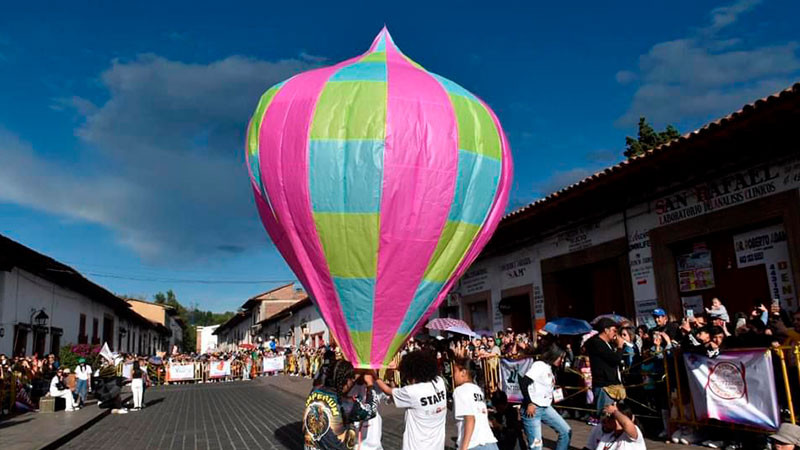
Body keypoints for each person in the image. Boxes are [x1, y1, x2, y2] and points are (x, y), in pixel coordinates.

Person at [374, 350, 447, 450]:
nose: (408, 380)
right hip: (437, 446)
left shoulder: (412, 392)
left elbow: (387, 390)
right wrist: (392, 378)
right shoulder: (439, 382)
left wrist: (372, 375)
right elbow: (397, 397)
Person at [303, 359, 377, 450]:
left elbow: (341, 388)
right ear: (347, 381)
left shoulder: (314, 390)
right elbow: (371, 410)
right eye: (352, 378)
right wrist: (370, 385)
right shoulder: (347, 404)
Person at [519, 345, 571, 450]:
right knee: (536, 446)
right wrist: (529, 402)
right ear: (553, 355)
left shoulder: (550, 368)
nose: (561, 360)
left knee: (566, 431)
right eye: (560, 357)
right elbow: (524, 382)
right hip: (533, 409)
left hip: (546, 407)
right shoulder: (539, 365)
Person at [452, 357, 498, 450]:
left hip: (473, 444)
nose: (453, 375)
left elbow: (470, 419)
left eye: (455, 371)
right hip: (490, 442)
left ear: (463, 372)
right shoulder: (478, 390)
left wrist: (463, 448)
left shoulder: (460, 391)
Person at [584, 318, 625, 416]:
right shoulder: (597, 343)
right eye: (614, 331)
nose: (615, 334)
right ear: (606, 330)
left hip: (613, 384)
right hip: (604, 386)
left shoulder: (607, 344)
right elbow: (614, 359)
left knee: (617, 416)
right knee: (606, 416)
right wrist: (620, 347)